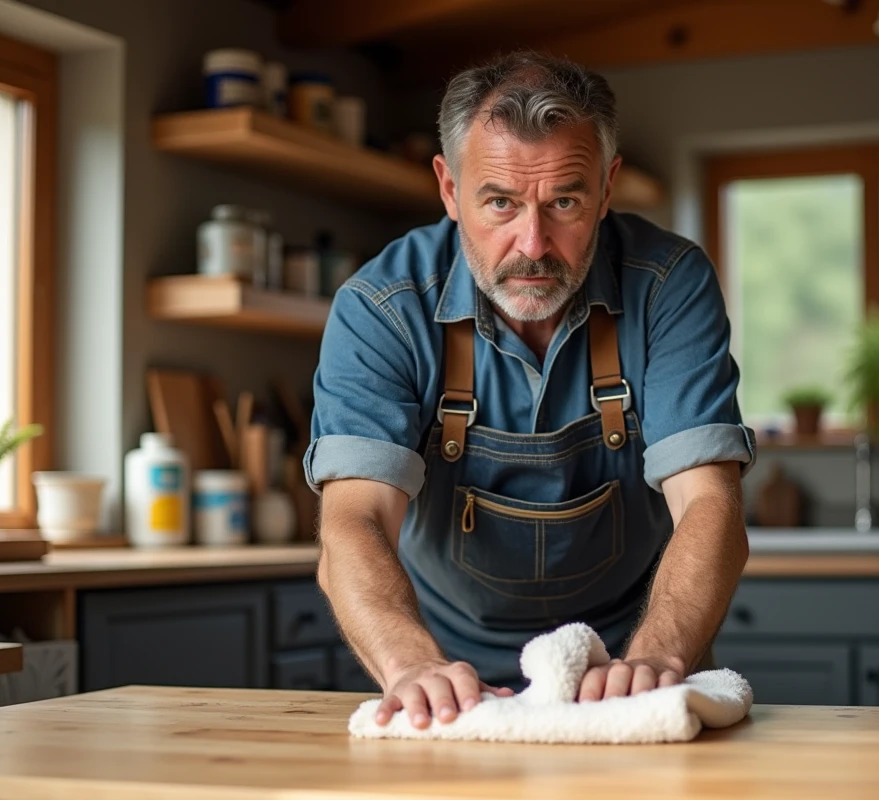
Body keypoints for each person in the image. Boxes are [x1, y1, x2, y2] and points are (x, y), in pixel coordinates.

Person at [306, 50, 755, 731]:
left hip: (631, 666)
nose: (534, 243)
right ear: (450, 189)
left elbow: (710, 503)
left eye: (565, 201)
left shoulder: (668, 285)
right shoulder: (382, 305)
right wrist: (411, 668)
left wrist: (655, 659)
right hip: (448, 677)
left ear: (608, 189)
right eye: (500, 203)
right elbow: (353, 520)